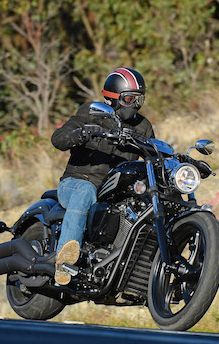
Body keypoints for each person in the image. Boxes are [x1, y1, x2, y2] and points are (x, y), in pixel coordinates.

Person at [50, 67, 154, 285]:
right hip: (76, 183)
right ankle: (64, 262)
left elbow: (152, 156)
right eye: (129, 99)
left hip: (114, 191)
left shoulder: (143, 126)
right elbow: (58, 139)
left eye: (139, 99)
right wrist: (80, 133)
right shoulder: (91, 112)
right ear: (112, 98)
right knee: (86, 191)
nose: (135, 105)